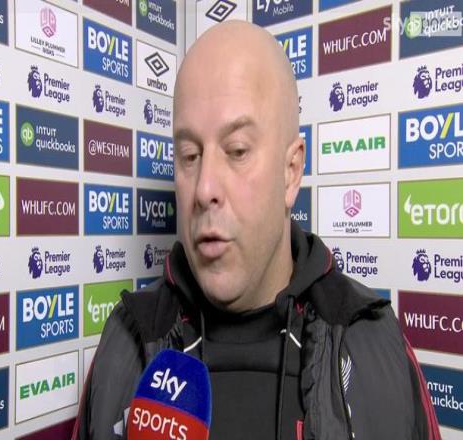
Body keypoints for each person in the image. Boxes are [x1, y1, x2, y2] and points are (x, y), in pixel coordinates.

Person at [73, 21, 440, 440]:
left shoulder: (371, 340)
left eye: (237, 151)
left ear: (291, 171)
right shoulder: (127, 339)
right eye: (189, 155)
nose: (205, 189)